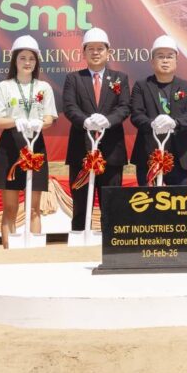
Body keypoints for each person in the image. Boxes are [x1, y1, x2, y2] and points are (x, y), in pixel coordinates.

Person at [0, 35, 58, 248]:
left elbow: (49, 118)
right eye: (23, 58)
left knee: (34, 208)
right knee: (10, 208)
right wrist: (16, 120)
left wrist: (39, 123)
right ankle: (9, 254)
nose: (27, 62)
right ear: (15, 60)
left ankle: (34, 255)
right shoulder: (4, 87)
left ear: (36, 62)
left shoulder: (44, 87)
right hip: (10, 147)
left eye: (31, 58)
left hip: (35, 147)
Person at [62, 28, 131, 231]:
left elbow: (124, 107)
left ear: (108, 52)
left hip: (112, 152)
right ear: (83, 53)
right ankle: (80, 240)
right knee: (81, 205)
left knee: (112, 205)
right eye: (90, 48)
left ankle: (112, 242)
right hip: (81, 152)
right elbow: (69, 107)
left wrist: (107, 121)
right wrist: (85, 121)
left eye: (100, 48)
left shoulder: (120, 78)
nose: (95, 52)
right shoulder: (74, 79)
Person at [129, 35, 187, 186]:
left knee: (178, 200)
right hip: (148, 155)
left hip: (179, 156)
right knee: (148, 200)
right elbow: (136, 115)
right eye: (160, 56)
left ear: (176, 60)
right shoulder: (141, 86)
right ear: (152, 61)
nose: (165, 60)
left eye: (169, 56)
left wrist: (175, 123)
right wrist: (152, 124)